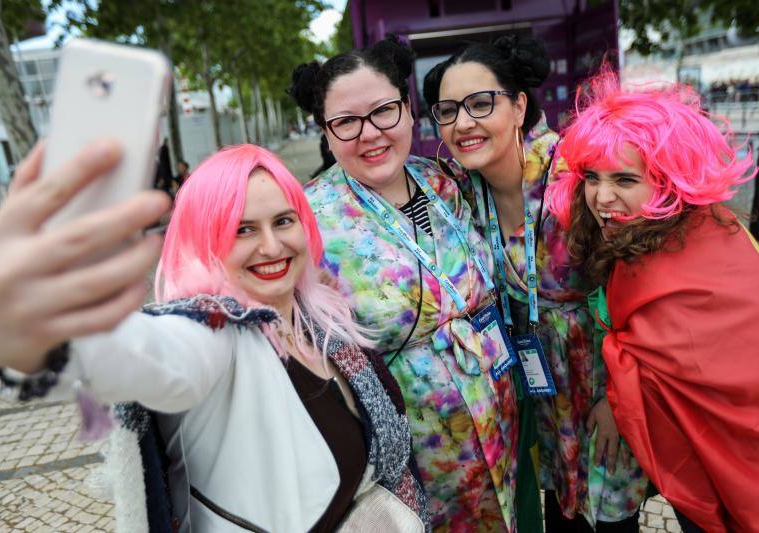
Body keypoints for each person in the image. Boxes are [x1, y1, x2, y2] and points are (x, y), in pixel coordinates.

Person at [0, 141, 430, 532]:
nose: (271, 246)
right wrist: (17, 329)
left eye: (283, 221)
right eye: (242, 229)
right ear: (204, 239)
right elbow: (139, 352)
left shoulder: (320, 318)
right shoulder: (211, 334)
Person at [289, 36, 519, 531]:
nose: (369, 133)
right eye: (346, 122)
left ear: (408, 110)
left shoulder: (443, 181)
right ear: (327, 134)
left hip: (499, 431)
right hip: (414, 466)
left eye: (383, 112)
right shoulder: (307, 220)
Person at [423, 35, 647, 532]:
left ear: (519, 105)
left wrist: (618, 400)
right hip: (537, 392)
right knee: (560, 513)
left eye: (481, 104)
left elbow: (639, 291)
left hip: (600, 388)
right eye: (447, 110)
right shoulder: (459, 192)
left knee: (611, 519)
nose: (464, 123)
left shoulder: (578, 176)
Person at [546, 69, 759, 533]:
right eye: (592, 178)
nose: (603, 197)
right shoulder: (660, 236)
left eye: (624, 179)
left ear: (668, 180)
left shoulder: (699, 246)